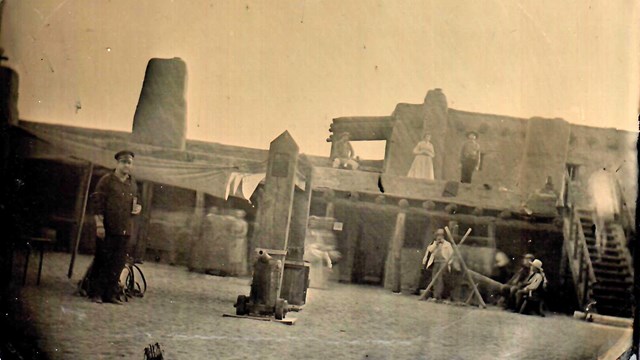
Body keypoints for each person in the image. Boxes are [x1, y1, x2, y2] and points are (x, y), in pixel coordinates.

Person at [87, 150, 142, 304]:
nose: (126, 165)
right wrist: (99, 225)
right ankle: (95, 293)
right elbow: (97, 203)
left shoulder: (132, 183)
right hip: (107, 228)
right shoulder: (107, 180)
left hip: (124, 229)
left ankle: (110, 294)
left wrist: (138, 208)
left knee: (117, 263)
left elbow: (137, 201)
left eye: (129, 163)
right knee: (102, 260)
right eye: (124, 162)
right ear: (117, 163)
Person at [421, 228, 460, 301]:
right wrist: (436, 244)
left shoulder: (447, 244)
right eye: (438, 235)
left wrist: (448, 263)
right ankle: (435, 295)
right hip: (436, 262)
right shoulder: (434, 243)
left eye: (441, 235)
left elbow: (451, 255)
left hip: (443, 262)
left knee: (439, 278)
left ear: (443, 236)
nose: (439, 236)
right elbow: (430, 250)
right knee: (434, 278)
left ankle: (438, 296)